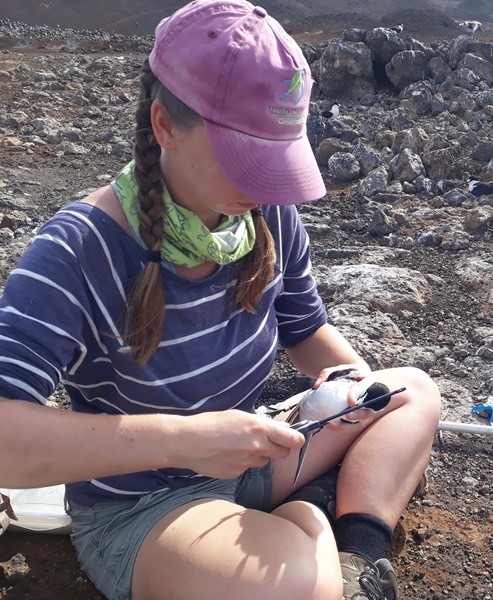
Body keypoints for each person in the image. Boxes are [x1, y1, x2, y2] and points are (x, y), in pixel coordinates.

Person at [0, 1, 441, 599]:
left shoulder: (265, 212)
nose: (264, 185)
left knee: (412, 391)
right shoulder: (79, 249)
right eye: (246, 160)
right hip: (144, 505)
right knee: (287, 588)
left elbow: (306, 330)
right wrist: (190, 440)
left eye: (275, 161)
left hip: (251, 450)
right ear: (164, 126)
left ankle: (356, 558)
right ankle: (309, 523)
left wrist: (349, 387)